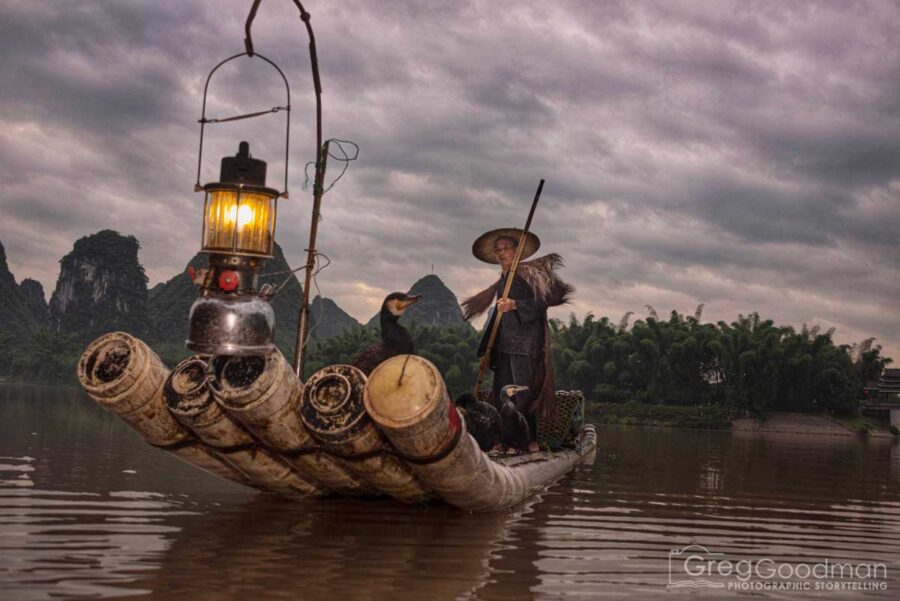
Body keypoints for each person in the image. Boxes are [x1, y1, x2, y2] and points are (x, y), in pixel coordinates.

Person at [461, 228, 573, 452]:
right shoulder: (503, 279)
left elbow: (546, 300)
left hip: (525, 344)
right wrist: (488, 351)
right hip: (505, 344)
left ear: (517, 251)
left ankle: (527, 441)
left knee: (521, 393)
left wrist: (516, 305)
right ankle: (505, 441)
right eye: (498, 250)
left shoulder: (528, 274)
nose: (502, 253)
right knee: (501, 391)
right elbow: (499, 318)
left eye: (507, 248)